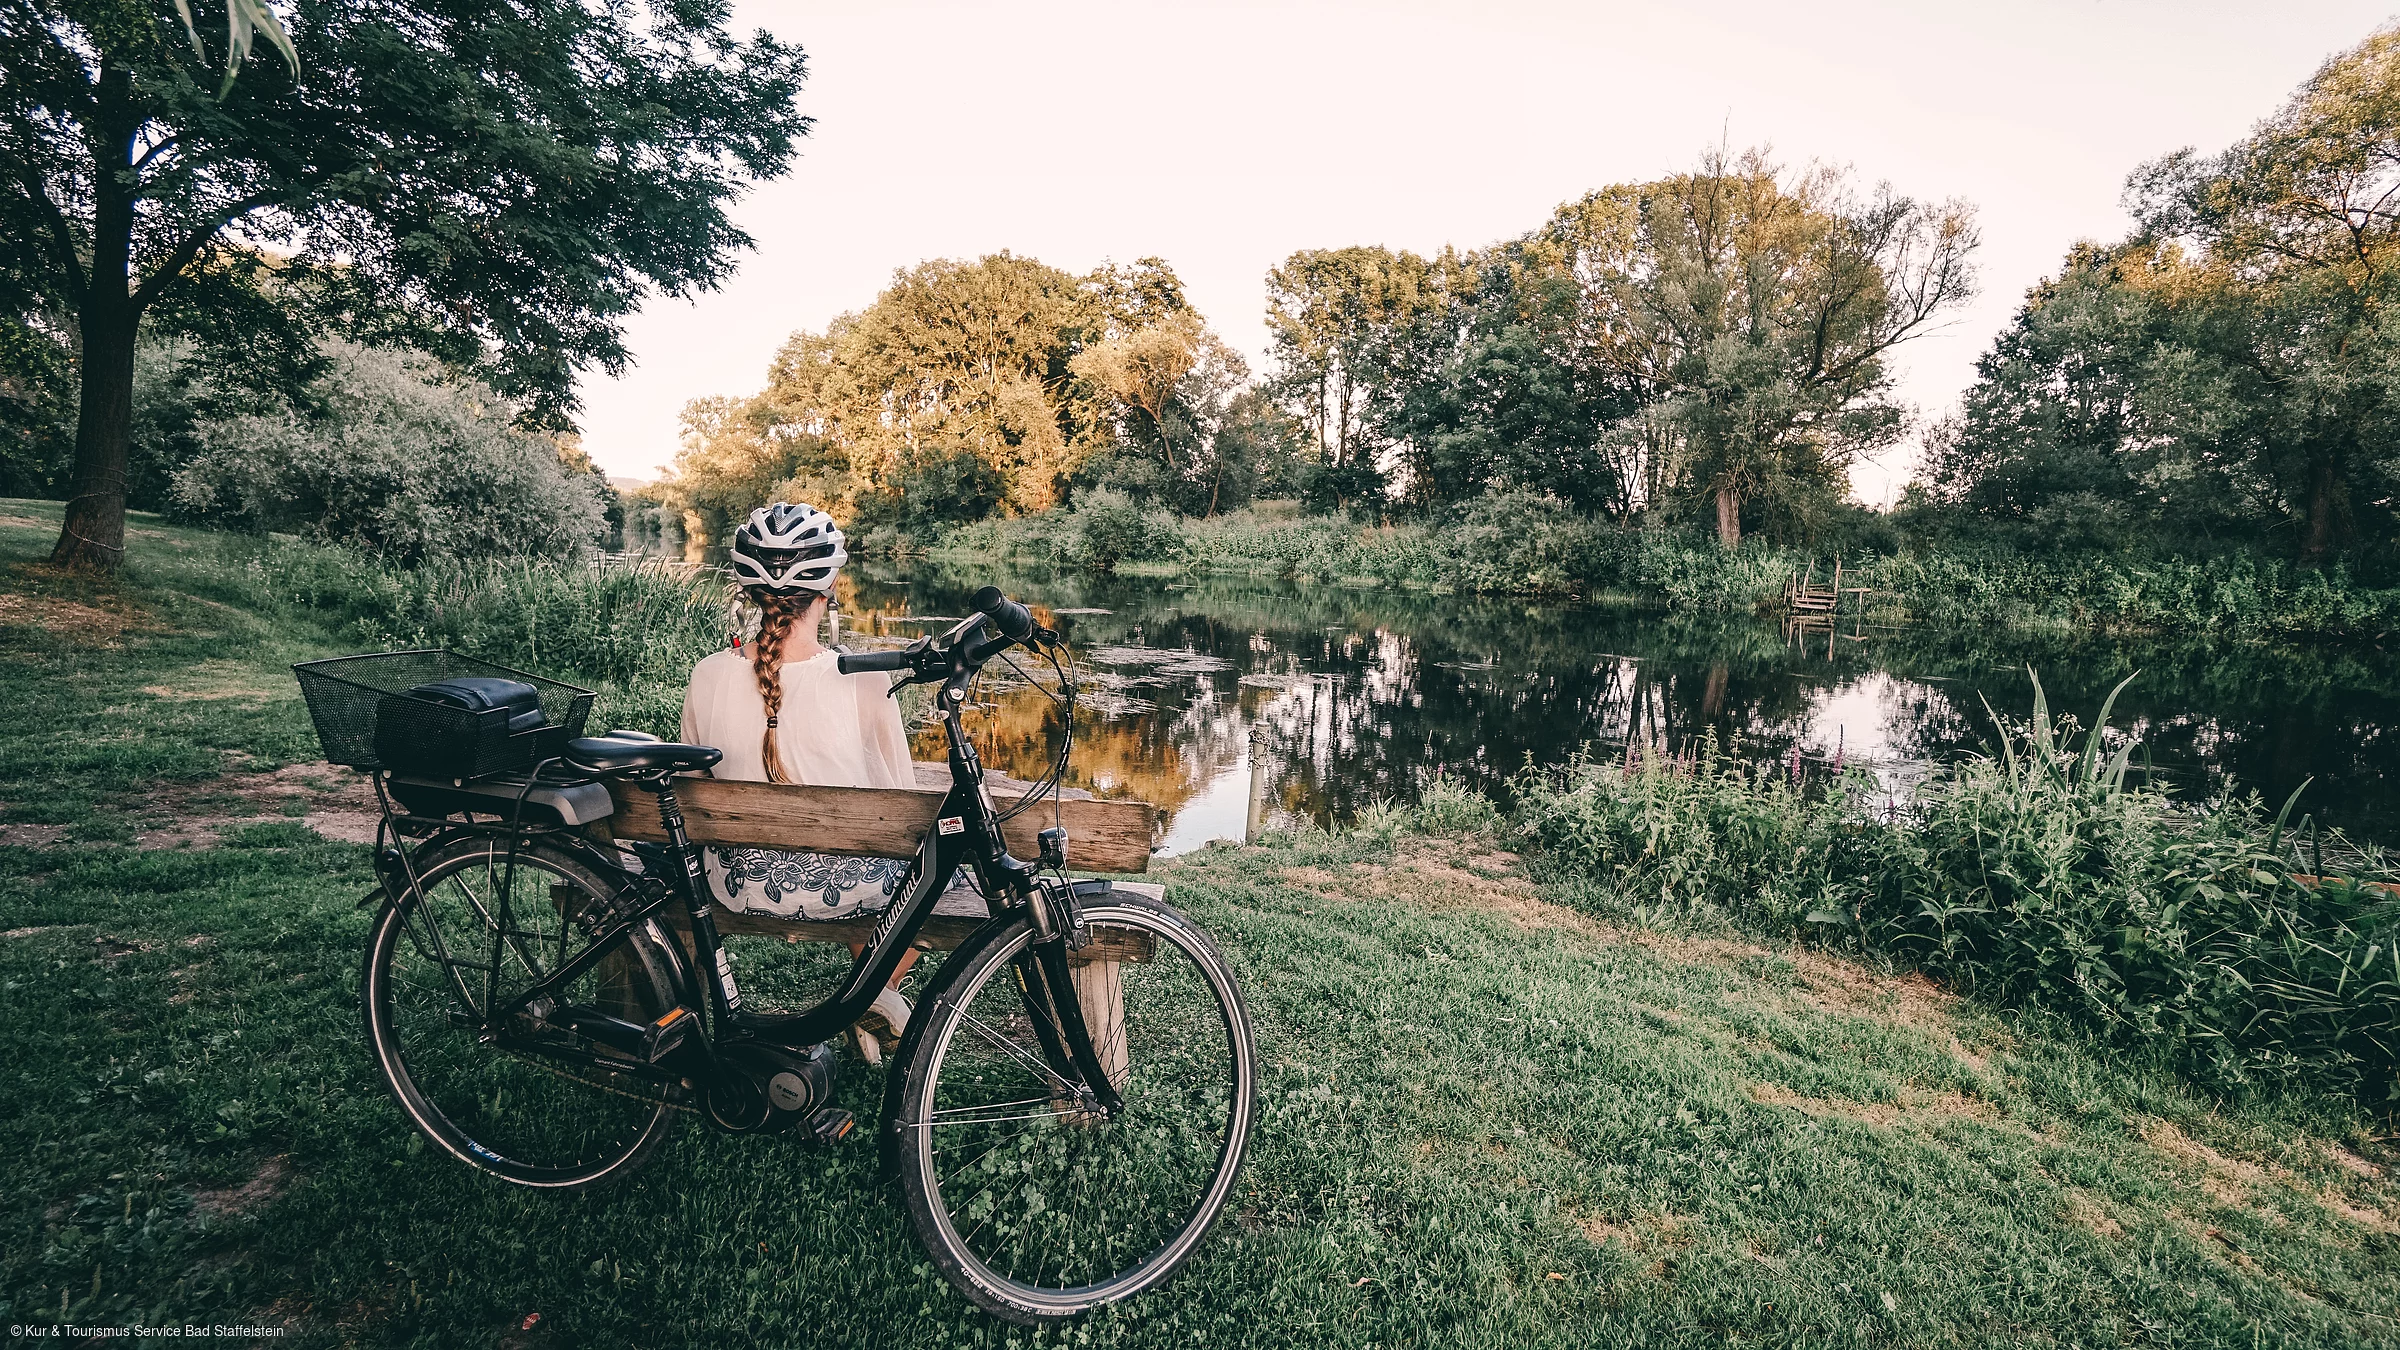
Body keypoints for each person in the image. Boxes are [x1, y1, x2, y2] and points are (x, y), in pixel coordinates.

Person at [678, 501, 921, 1063]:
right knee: (925, 866)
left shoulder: (709, 675)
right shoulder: (864, 679)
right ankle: (871, 993)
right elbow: (900, 798)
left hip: (734, 883)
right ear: (827, 591)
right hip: (851, 889)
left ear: (747, 592)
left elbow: (696, 781)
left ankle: (867, 1000)